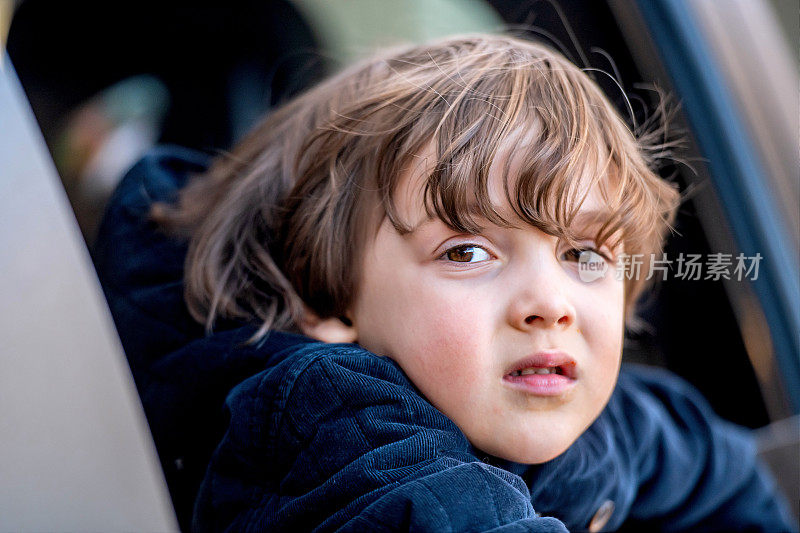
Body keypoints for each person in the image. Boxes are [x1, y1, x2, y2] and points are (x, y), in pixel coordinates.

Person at [93, 34, 795, 531]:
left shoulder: (594, 414)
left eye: (584, 254)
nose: (549, 304)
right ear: (324, 294)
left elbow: (710, 461)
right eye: (466, 252)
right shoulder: (339, 432)